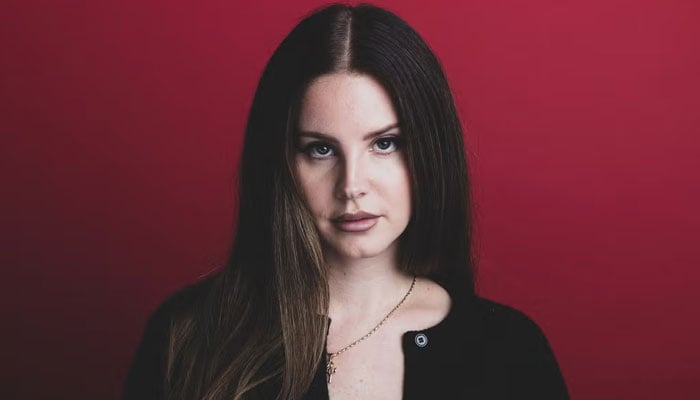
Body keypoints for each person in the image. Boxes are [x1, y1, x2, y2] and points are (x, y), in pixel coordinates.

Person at [123, 3, 569, 400]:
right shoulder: (189, 336)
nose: (351, 185)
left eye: (385, 144)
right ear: (281, 162)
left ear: (431, 151)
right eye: (321, 149)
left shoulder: (511, 352)